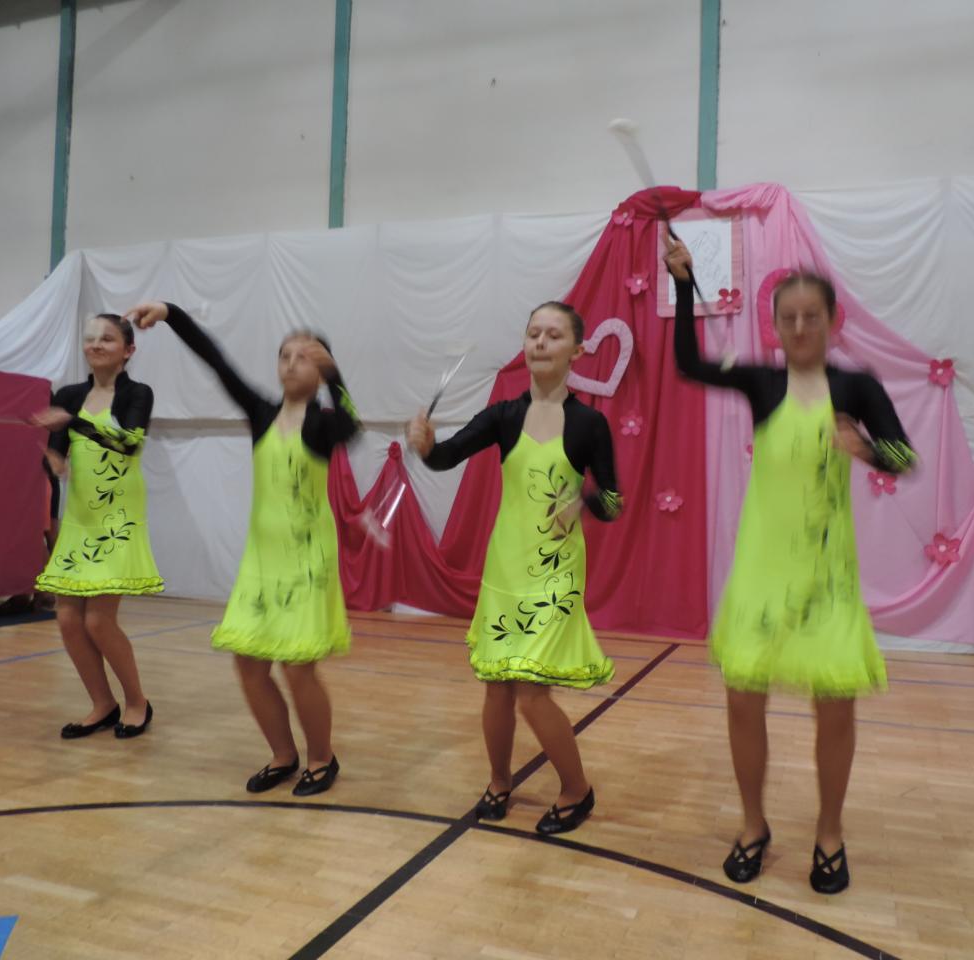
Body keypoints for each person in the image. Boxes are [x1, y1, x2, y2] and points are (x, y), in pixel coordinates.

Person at [666, 240, 916, 894]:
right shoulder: (762, 382)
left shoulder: (857, 387)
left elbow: (904, 457)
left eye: (812, 316)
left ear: (832, 321)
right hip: (761, 573)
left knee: (835, 708)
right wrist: (685, 285)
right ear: (774, 326)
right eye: (789, 317)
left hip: (828, 582)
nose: (800, 327)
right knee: (742, 701)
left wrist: (865, 447)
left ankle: (830, 832)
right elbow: (688, 362)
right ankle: (753, 825)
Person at [406, 301, 622, 835]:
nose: (540, 342)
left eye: (553, 335)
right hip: (506, 570)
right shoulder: (503, 416)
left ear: (577, 350)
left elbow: (614, 502)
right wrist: (426, 447)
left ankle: (577, 790)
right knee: (497, 686)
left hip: (556, 574)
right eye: (533, 333)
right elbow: (445, 457)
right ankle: (499, 782)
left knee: (529, 691)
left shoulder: (590, 423)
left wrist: (581, 502)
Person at [127, 300, 359, 796]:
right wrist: (170, 313)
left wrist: (336, 377)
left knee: (297, 667)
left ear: (321, 370)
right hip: (261, 563)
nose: (292, 363)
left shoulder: (324, 424)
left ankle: (322, 758)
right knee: (249, 665)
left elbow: (352, 426)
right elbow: (215, 360)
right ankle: (283, 755)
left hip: (306, 563)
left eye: (305, 357)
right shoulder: (261, 412)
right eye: (285, 355)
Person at [33, 313, 163, 740]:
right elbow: (55, 454)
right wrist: (53, 459)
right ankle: (102, 704)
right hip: (81, 518)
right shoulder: (69, 394)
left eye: (107, 338)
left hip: (117, 518)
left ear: (128, 350)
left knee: (99, 622)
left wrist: (72, 422)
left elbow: (128, 444)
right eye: (90, 338)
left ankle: (137, 702)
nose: (96, 344)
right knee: (68, 619)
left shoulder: (138, 393)